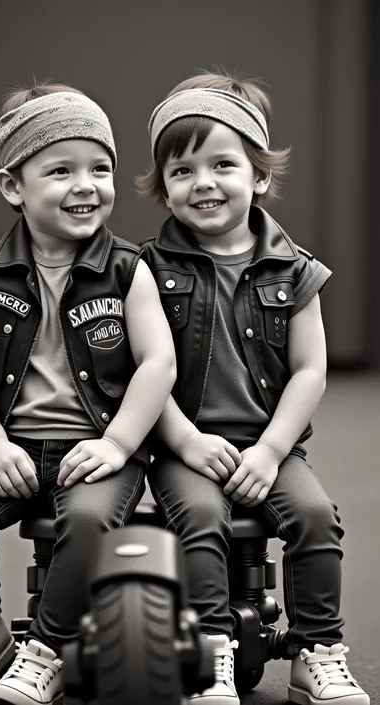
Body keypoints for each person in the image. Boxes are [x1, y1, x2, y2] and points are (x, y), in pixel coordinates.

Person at [0, 82, 176, 705]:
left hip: (96, 448)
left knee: (89, 522)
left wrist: (119, 443)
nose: (85, 185)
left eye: (100, 169)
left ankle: (48, 647)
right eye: (60, 170)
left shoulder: (127, 268)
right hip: (13, 444)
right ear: (14, 187)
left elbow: (157, 363)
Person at [137, 70, 370, 705]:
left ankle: (315, 650)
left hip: (270, 442)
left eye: (222, 164)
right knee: (203, 517)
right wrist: (183, 441)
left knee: (317, 517)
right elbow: (138, 371)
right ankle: (213, 652)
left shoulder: (294, 272)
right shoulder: (142, 270)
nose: (203, 182)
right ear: (165, 189)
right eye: (182, 172)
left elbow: (309, 371)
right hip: (183, 444)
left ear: (259, 176)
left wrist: (270, 452)